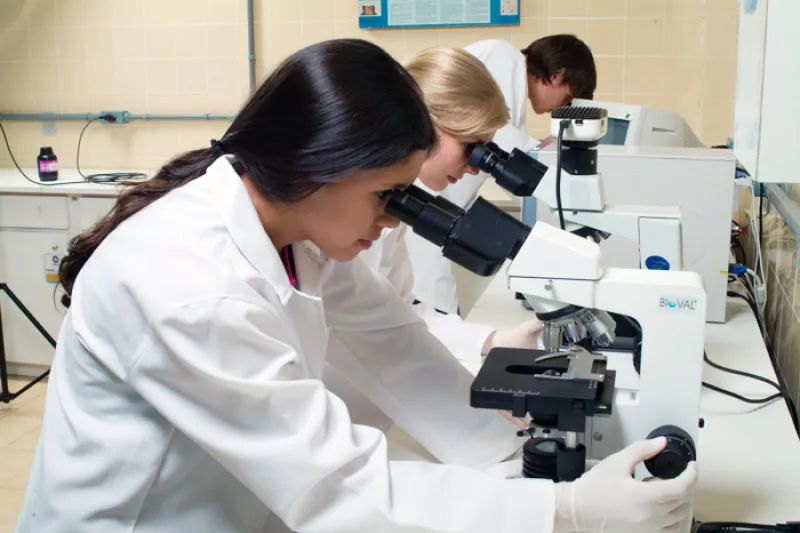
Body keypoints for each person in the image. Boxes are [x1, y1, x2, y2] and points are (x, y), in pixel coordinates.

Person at [15, 39, 696, 533]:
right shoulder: (190, 287)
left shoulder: (301, 236)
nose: (395, 215)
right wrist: (561, 514)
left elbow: (398, 346)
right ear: (324, 165)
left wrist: (516, 468)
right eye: (389, 194)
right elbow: (334, 485)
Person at [323, 45, 544, 431]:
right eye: (471, 149)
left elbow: (398, 309)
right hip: (333, 415)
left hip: (366, 419)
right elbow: (373, 335)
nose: (476, 167)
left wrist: (491, 340)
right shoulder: (339, 209)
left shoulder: (391, 203)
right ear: (427, 124)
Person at [410, 35, 597, 314]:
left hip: (436, 210)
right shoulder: (502, 59)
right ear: (558, 74)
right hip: (424, 208)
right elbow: (506, 153)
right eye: (567, 98)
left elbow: (504, 145)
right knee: (429, 309)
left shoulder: (509, 77)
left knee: (434, 314)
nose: (558, 109)